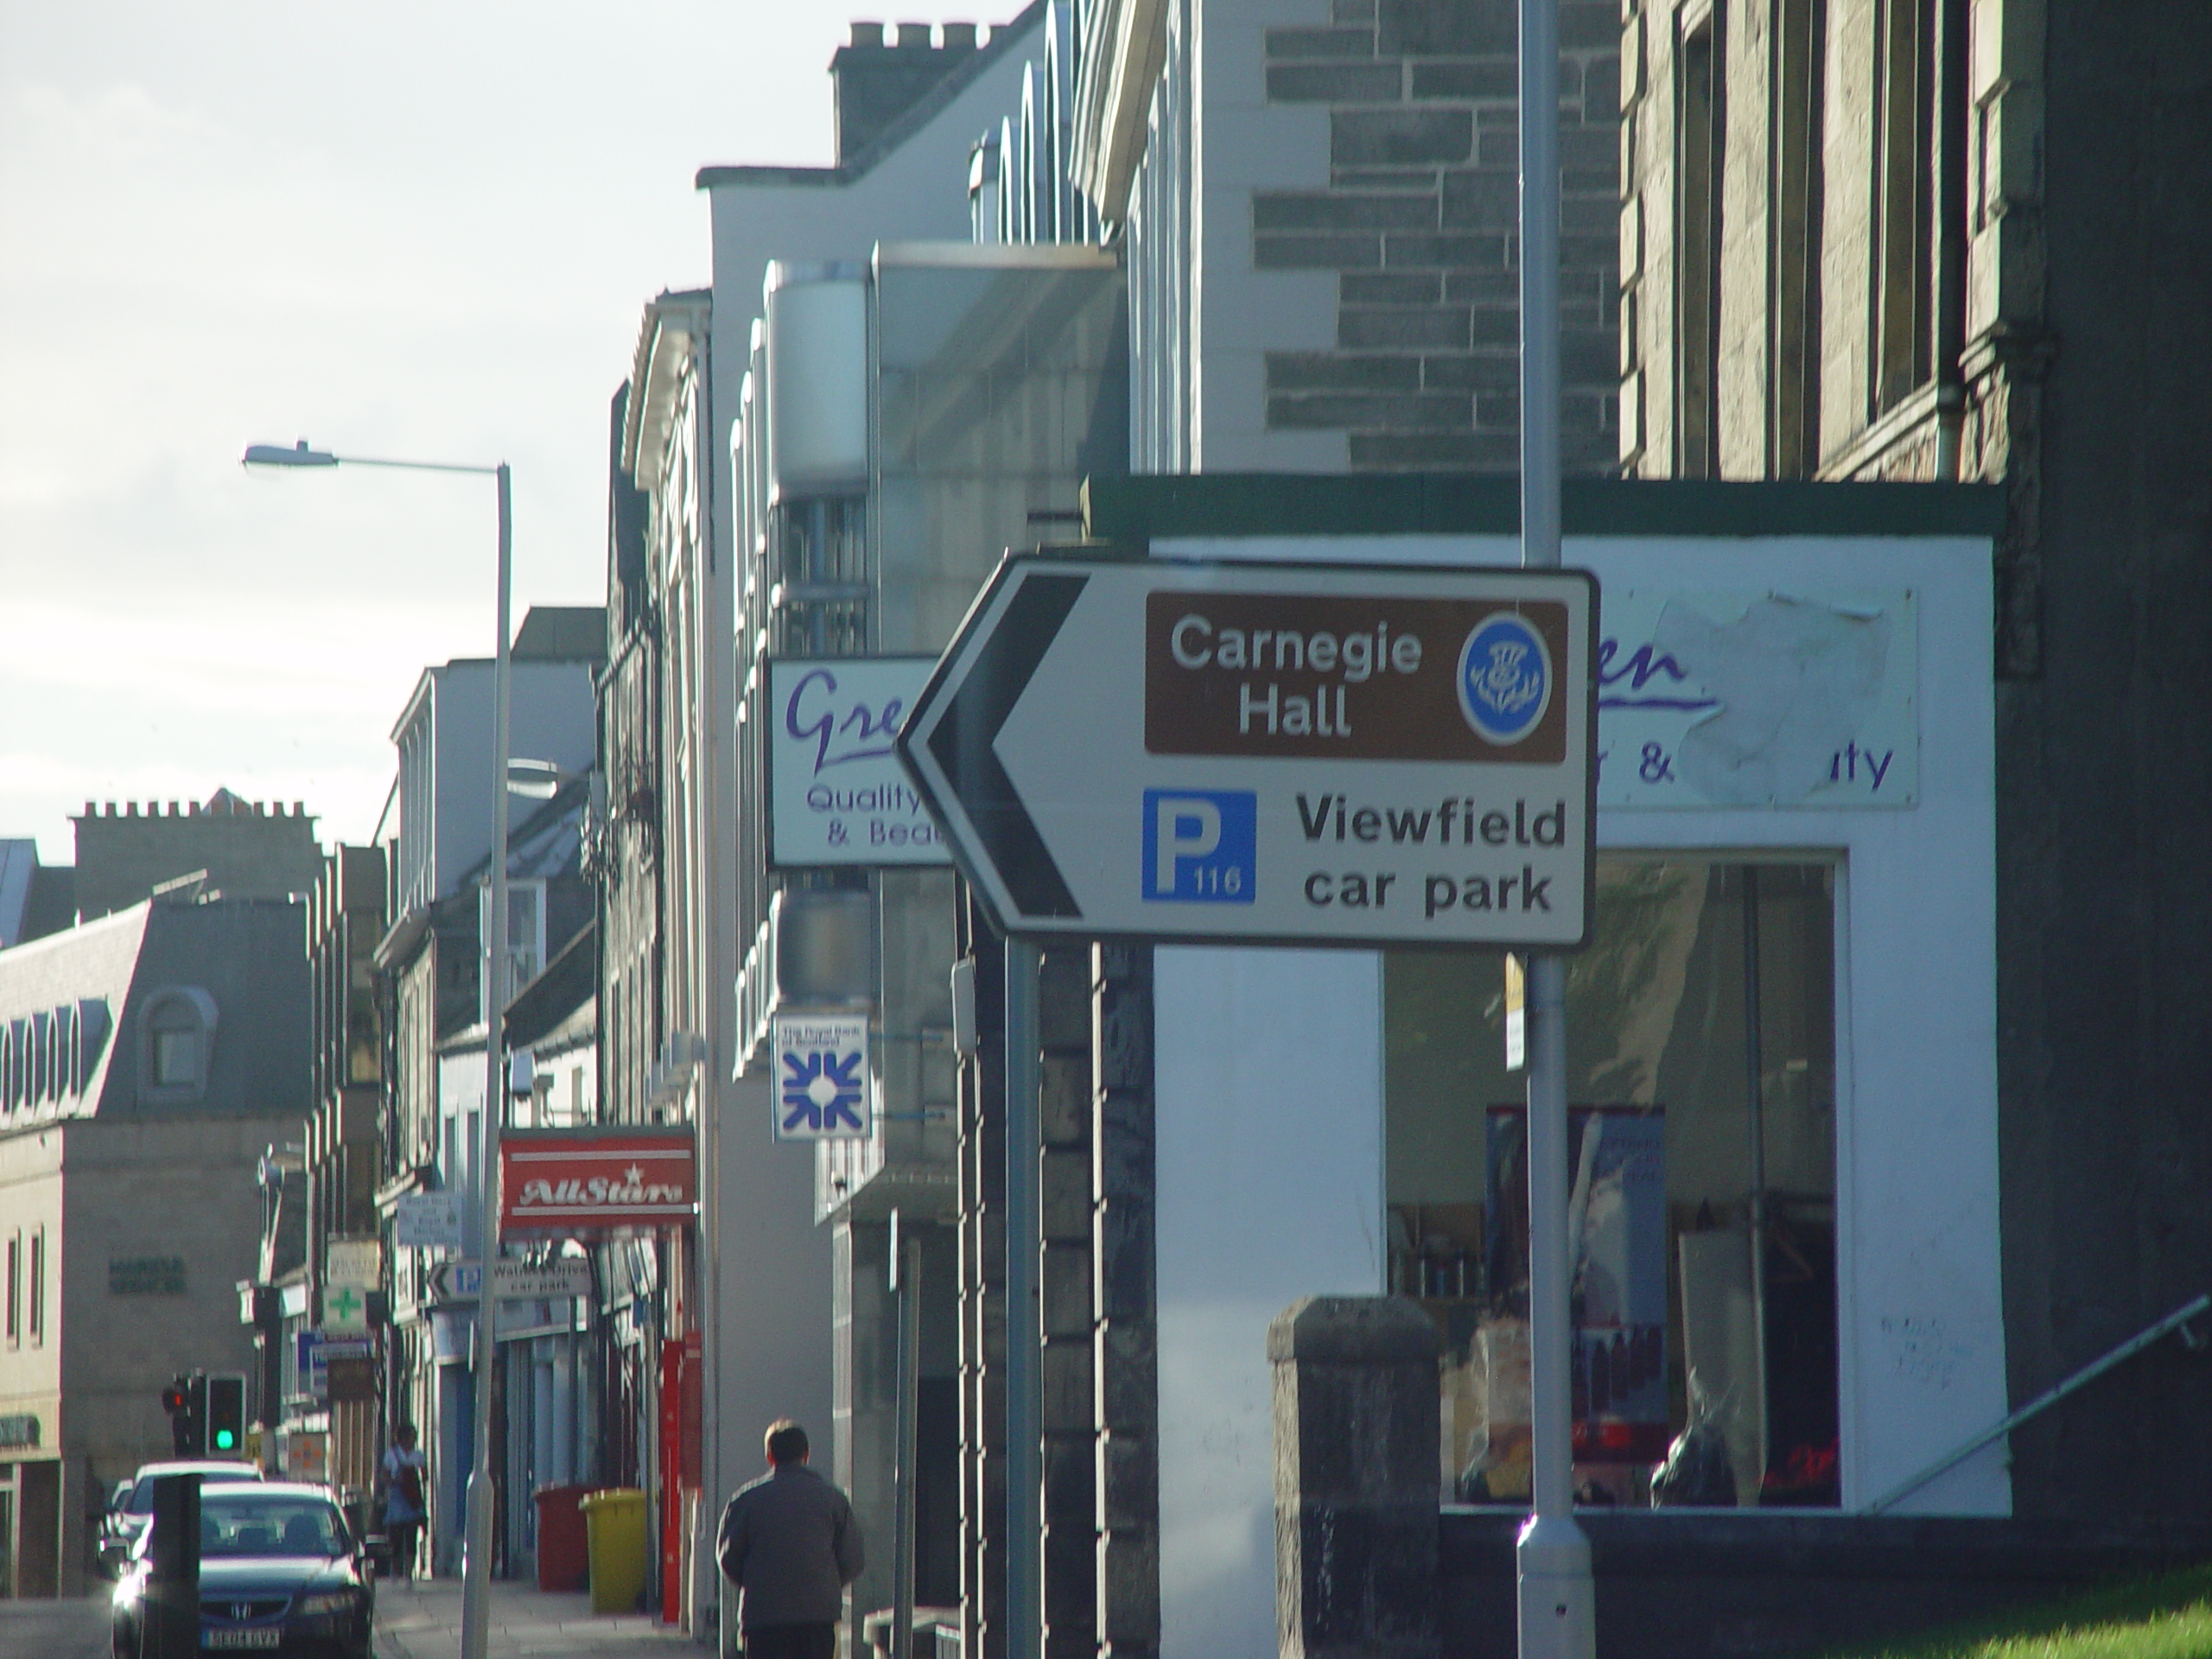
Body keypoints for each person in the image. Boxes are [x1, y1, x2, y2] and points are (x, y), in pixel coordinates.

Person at [716, 1420, 864, 1659]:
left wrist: (756, 1582)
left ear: (769, 1456)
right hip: (817, 1617)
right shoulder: (833, 1500)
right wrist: (826, 1582)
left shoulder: (745, 1501)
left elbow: (728, 1558)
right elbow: (854, 1558)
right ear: (806, 1454)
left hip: (763, 1618)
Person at [378, 1421, 428, 1581]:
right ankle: (397, 1569)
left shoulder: (418, 1455)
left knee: (411, 1536)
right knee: (396, 1537)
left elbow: (425, 1475)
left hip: (412, 1500)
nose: (413, 1441)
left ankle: (408, 1572)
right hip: (397, 1500)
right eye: (411, 1437)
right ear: (402, 1439)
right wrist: (396, 1481)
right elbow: (384, 1476)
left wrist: (414, 1482)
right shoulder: (391, 1455)